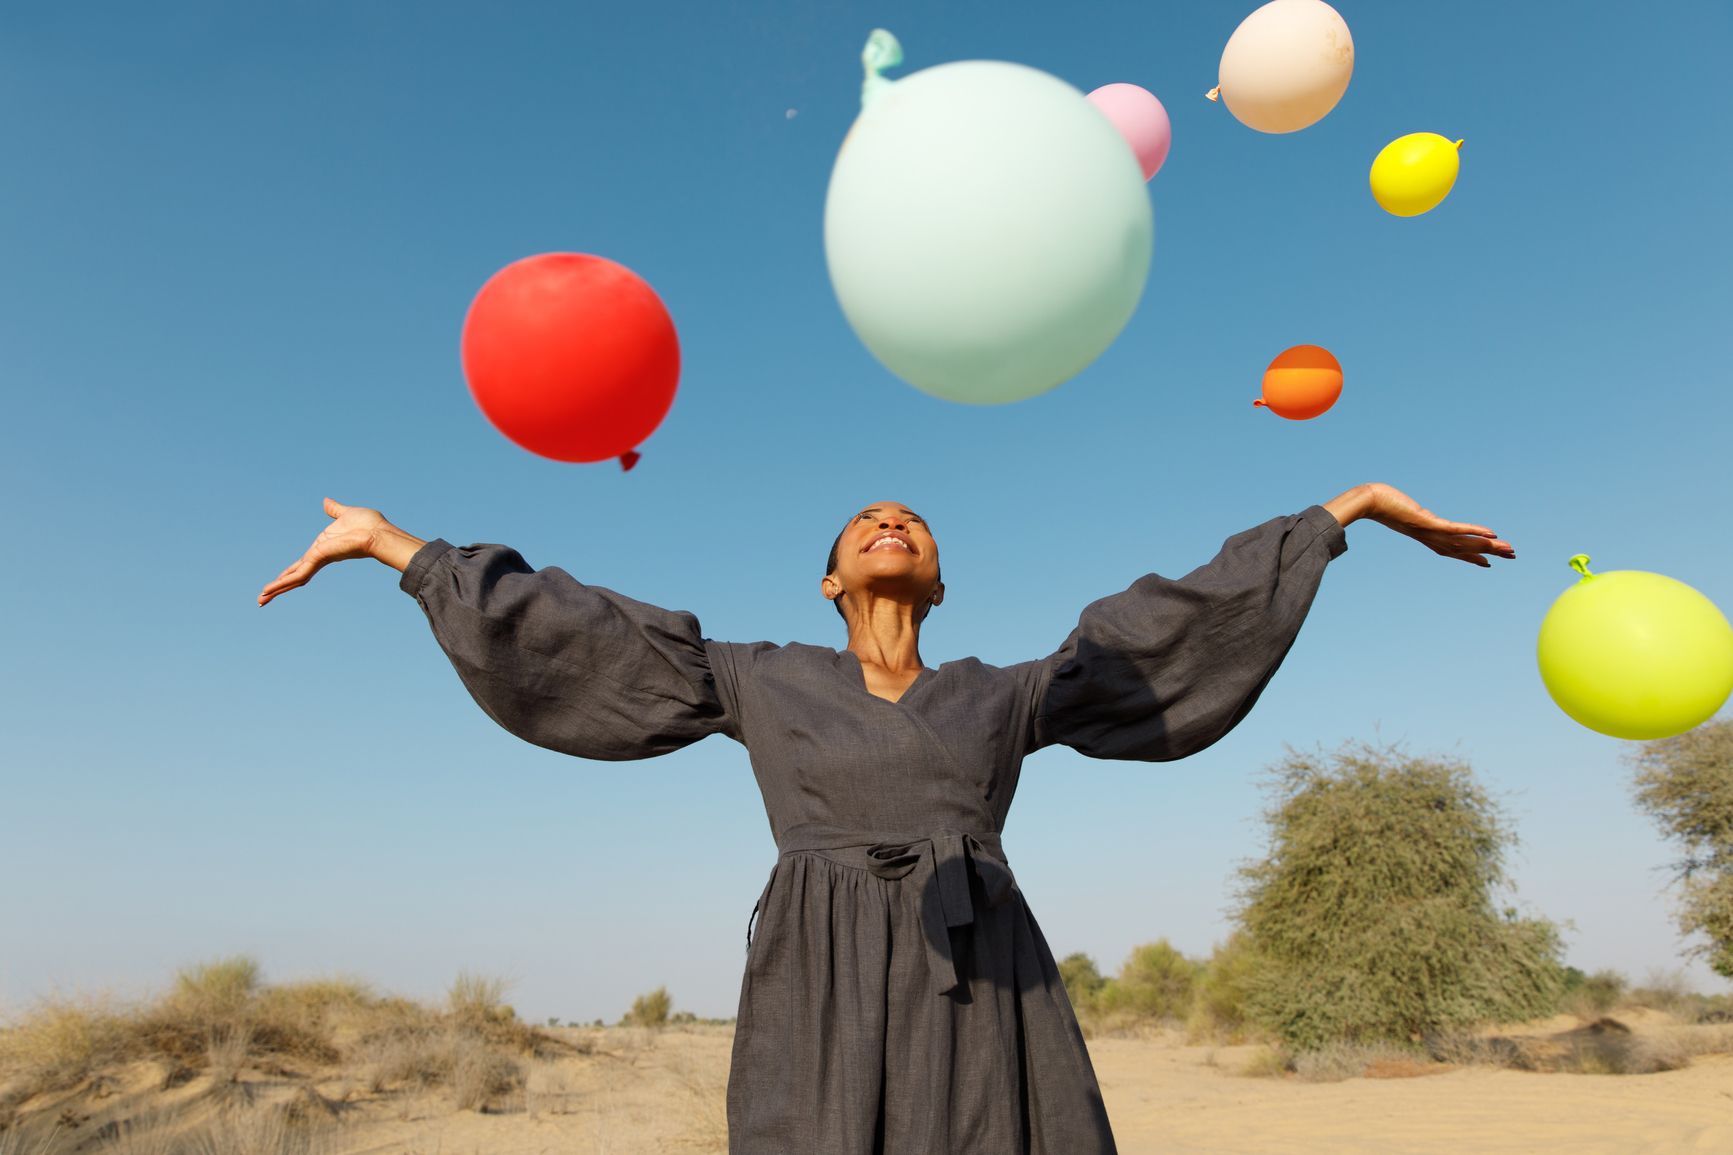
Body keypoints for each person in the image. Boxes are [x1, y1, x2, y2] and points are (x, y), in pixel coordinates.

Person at [258, 482, 1513, 1153]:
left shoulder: (1006, 692)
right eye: (864, 522)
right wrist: (394, 547)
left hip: (984, 967)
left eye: (908, 519)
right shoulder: (754, 674)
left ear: (939, 579)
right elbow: (575, 632)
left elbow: (1160, 631)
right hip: (822, 962)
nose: (888, 522)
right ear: (830, 576)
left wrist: (1338, 514)